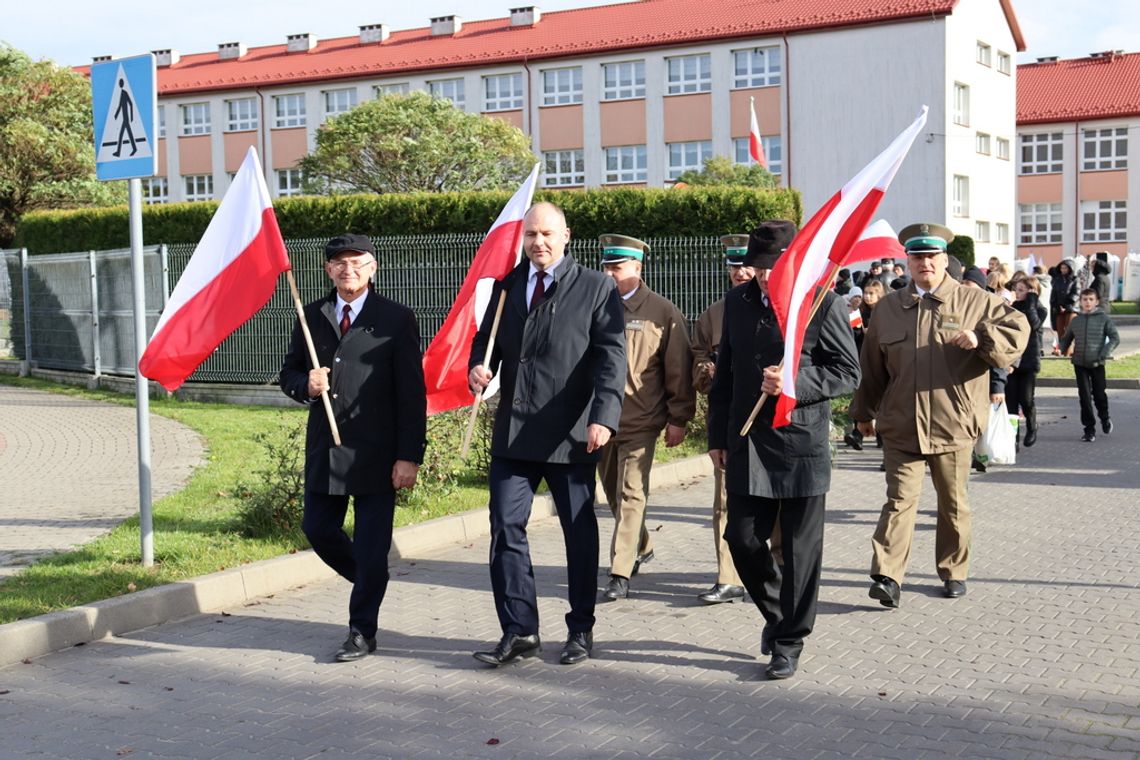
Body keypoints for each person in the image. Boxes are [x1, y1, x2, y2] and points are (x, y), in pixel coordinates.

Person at [467, 202, 626, 667]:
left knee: (578, 533)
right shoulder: (508, 285)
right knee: (505, 526)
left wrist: (604, 416)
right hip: (515, 434)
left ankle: (581, 629)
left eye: (547, 234)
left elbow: (612, 358)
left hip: (572, 434)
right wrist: (480, 366)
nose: (538, 242)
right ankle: (519, 630)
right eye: (531, 234)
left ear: (566, 236)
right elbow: (487, 339)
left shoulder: (596, 287)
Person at [707, 220, 861, 680]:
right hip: (748, 439)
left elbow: (847, 372)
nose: (765, 275)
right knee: (741, 537)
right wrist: (717, 436)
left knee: (799, 551)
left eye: (774, 266)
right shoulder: (736, 303)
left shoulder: (821, 303)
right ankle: (778, 616)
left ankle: (789, 640)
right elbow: (726, 374)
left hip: (800, 441)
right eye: (757, 267)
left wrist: (793, 382)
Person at [850, 223, 1028, 608]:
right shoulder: (889, 309)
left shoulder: (973, 300)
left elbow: (1019, 328)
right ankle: (887, 576)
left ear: (945, 260)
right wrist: (863, 413)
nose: (924, 263)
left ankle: (953, 570)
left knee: (952, 502)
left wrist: (982, 338)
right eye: (917, 257)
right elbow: (872, 368)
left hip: (953, 423)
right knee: (898, 501)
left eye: (932, 256)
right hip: (901, 423)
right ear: (907, 262)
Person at [280, 233, 427, 662]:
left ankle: (362, 631)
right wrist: (304, 384)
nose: (349, 270)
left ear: (373, 267)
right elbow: (288, 373)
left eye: (358, 262)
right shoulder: (311, 316)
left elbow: (411, 394)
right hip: (327, 450)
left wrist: (409, 455)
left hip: (378, 454)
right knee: (318, 529)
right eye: (340, 263)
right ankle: (370, 580)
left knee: (370, 544)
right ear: (328, 270)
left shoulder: (396, 319)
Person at [597, 234, 696, 602]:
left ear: (637, 268)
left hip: (641, 419)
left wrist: (679, 417)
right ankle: (642, 542)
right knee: (611, 491)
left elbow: (678, 371)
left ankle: (620, 571)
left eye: (617, 267)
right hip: (600, 421)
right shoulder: (594, 304)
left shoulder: (661, 312)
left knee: (630, 492)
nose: (608, 273)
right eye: (606, 266)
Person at [690, 235, 753, 604]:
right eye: (734, 265)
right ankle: (727, 576)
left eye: (746, 264)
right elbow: (697, 358)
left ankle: (772, 566)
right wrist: (706, 368)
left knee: (773, 503)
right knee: (725, 501)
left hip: (768, 420)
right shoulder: (714, 314)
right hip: (728, 419)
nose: (740, 271)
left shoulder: (777, 305)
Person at [1059, 288, 1120, 442]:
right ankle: (1089, 429)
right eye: (1085, 299)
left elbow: (1114, 338)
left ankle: (1105, 418)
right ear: (1080, 301)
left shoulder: (1103, 319)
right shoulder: (1076, 320)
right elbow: (1067, 337)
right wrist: (1063, 348)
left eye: (1091, 299)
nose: (1087, 302)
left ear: (1096, 302)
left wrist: (1104, 353)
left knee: (1099, 395)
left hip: (1097, 363)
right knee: (1084, 397)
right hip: (1080, 363)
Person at [1007, 277, 1045, 447]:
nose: (1017, 292)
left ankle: (1032, 427)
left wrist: (1031, 302)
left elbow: (1033, 324)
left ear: (1032, 292)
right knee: (1011, 401)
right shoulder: (1013, 308)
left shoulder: (1039, 310)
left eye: (1022, 290)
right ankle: (1013, 438)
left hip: (1029, 361)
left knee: (1026, 399)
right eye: (1017, 289)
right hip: (1013, 361)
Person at [1049, 259, 1080, 354]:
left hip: (1071, 308)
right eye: (1062, 268)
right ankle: (1063, 351)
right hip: (1059, 309)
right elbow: (1053, 294)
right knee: (1060, 330)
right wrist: (1056, 305)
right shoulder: (1057, 279)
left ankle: (1070, 351)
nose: (1063, 270)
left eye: (1065, 268)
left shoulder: (1075, 279)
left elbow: (1076, 293)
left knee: (1069, 330)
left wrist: (1067, 304)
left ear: (1070, 269)